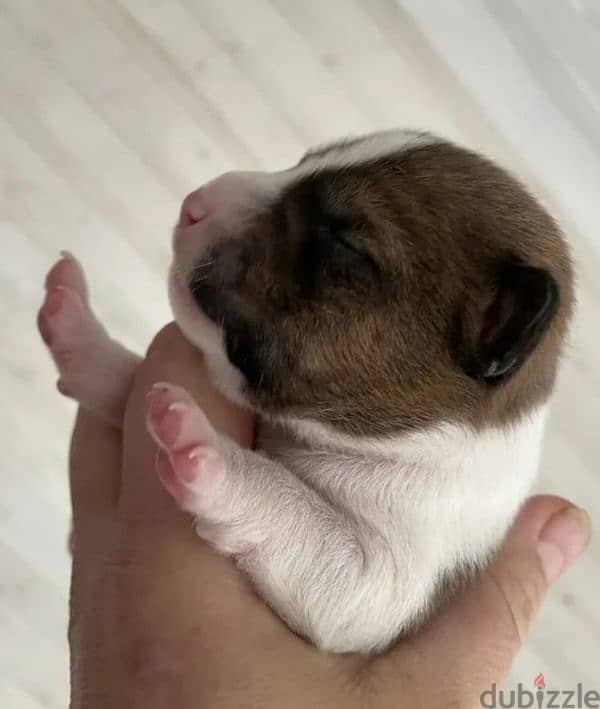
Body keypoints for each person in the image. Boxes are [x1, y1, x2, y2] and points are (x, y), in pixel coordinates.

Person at [67, 324, 590, 708]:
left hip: (302, 618)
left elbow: (348, 600)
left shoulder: (436, 512)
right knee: (185, 420)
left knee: (189, 442)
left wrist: (234, 485)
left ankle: (117, 390)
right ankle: (110, 383)